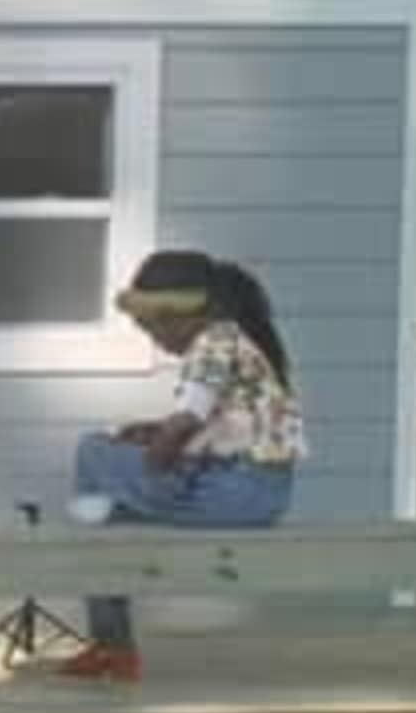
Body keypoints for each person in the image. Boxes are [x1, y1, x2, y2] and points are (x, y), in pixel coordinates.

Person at [53, 249, 307, 683]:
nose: (156, 340)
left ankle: (113, 643)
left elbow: (186, 421)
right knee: (107, 517)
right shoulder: (237, 342)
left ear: (184, 314)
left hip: (234, 493)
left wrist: (158, 452)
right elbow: (214, 425)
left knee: (91, 452)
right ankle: (111, 637)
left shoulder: (213, 344)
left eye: (158, 327)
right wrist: (153, 432)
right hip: (261, 491)